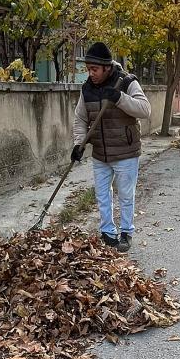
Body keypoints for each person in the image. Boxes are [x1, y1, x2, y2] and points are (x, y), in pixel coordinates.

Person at [72, 42, 151, 253]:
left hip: (125, 152)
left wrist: (119, 98)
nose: (91, 73)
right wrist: (78, 144)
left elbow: (145, 110)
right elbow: (80, 118)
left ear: (106, 67)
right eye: (88, 69)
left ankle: (126, 232)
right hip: (100, 153)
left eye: (94, 69)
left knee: (125, 195)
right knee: (102, 195)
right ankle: (107, 232)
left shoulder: (127, 82)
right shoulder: (87, 88)